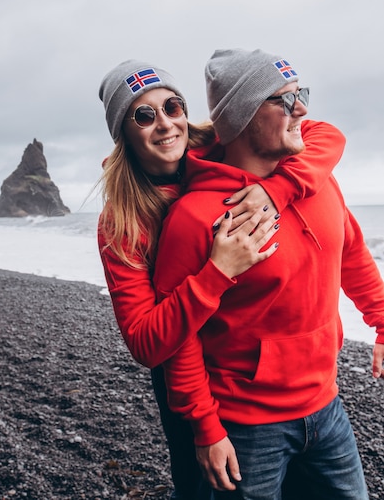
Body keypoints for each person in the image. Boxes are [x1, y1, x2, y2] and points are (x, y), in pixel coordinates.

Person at [97, 58, 347, 500]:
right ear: (124, 132)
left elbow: (325, 135)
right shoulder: (123, 221)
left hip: (250, 358)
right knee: (200, 480)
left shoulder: (213, 143)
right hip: (184, 356)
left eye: (172, 107)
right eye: (143, 115)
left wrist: (279, 189)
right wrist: (217, 273)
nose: (165, 125)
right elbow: (145, 341)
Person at [153, 48, 384, 500]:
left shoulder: (317, 181)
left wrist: (382, 319)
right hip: (244, 429)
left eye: (301, 94)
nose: (302, 109)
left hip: (327, 407)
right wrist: (205, 428)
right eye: (283, 100)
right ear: (240, 118)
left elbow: (351, 254)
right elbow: (180, 337)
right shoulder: (194, 217)